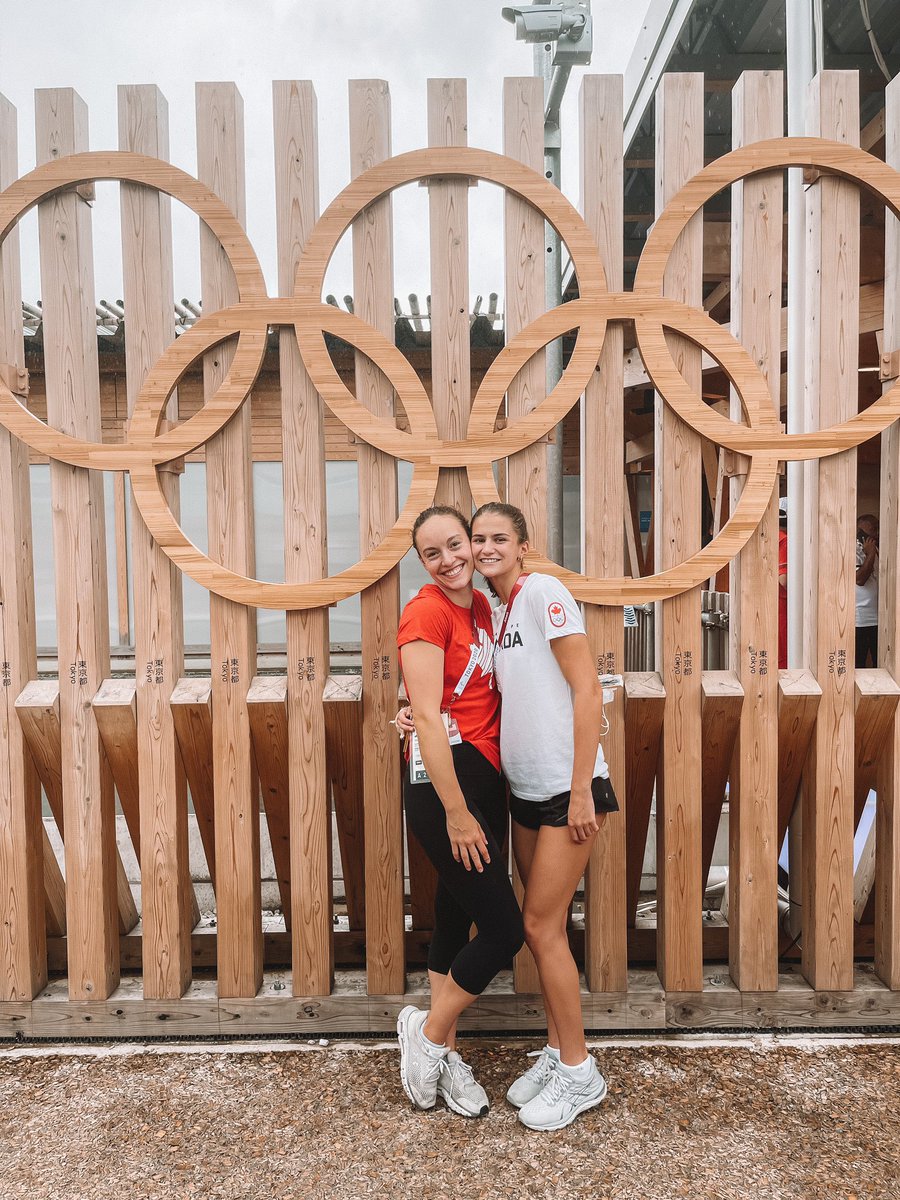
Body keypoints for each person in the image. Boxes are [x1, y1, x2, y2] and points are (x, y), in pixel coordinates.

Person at [397, 501, 616, 1131]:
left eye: (491, 539)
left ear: (521, 544)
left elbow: (586, 688)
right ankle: (554, 1053)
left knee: (534, 927)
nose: (476, 551)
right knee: (522, 924)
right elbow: (449, 694)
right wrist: (414, 713)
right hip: (511, 790)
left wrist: (582, 789)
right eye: (474, 539)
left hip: (561, 789)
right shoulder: (483, 610)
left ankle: (574, 1072)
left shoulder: (539, 592)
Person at [395, 505, 524, 1120]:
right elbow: (423, 714)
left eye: (456, 545)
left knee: (453, 915)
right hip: (446, 784)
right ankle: (427, 1036)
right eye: (433, 553)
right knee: (505, 930)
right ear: (422, 562)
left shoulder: (480, 608)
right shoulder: (425, 610)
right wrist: (456, 811)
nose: (449, 560)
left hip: (482, 771)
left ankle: (445, 1050)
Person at [856, 513, 879, 667]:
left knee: (881, 664)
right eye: (862, 532)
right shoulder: (856, 550)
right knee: (859, 664)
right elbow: (860, 579)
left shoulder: (876, 548)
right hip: (861, 618)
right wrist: (869, 554)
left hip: (879, 618)